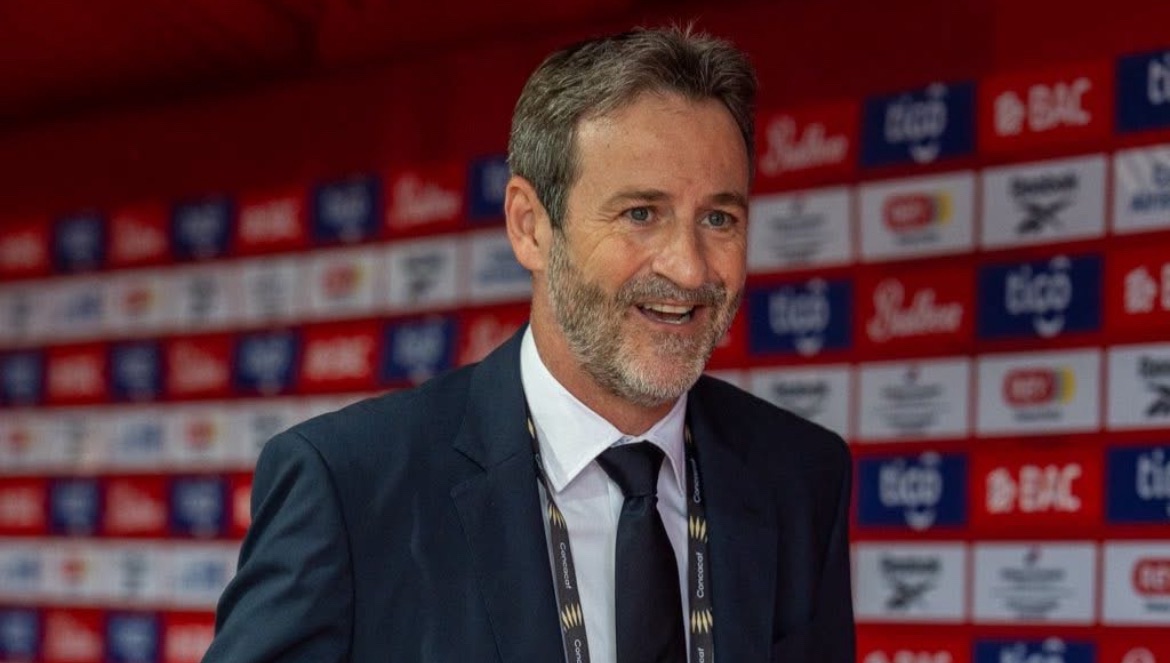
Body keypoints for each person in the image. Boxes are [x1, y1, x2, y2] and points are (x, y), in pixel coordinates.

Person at [204, 25, 854, 663]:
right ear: (530, 226)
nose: (688, 267)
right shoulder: (349, 485)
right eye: (640, 213)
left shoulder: (802, 476)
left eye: (718, 217)